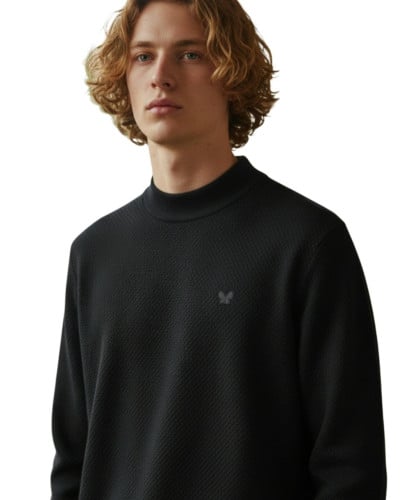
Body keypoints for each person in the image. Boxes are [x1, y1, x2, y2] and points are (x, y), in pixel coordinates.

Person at [49, 0, 387, 498]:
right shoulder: (94, 255)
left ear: (232, 71)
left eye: (189, 54)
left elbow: (350, 466)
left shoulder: (307, 243)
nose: (160, 76)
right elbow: (73, 461)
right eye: (143, 56)